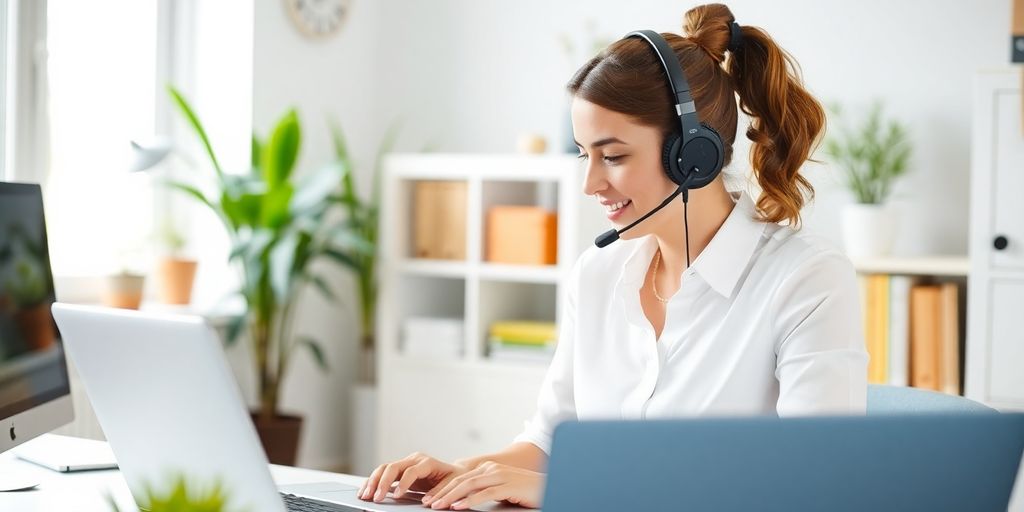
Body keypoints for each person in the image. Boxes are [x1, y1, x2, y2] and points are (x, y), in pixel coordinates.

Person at [359, 3, 867, 510]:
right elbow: (552, 440)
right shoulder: (599, 275)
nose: (589, 184)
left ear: (694, 154)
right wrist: (460, 474)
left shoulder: (806, 280)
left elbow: (813, 486)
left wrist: (569, 491)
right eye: (584, 154)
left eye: (614, 156)